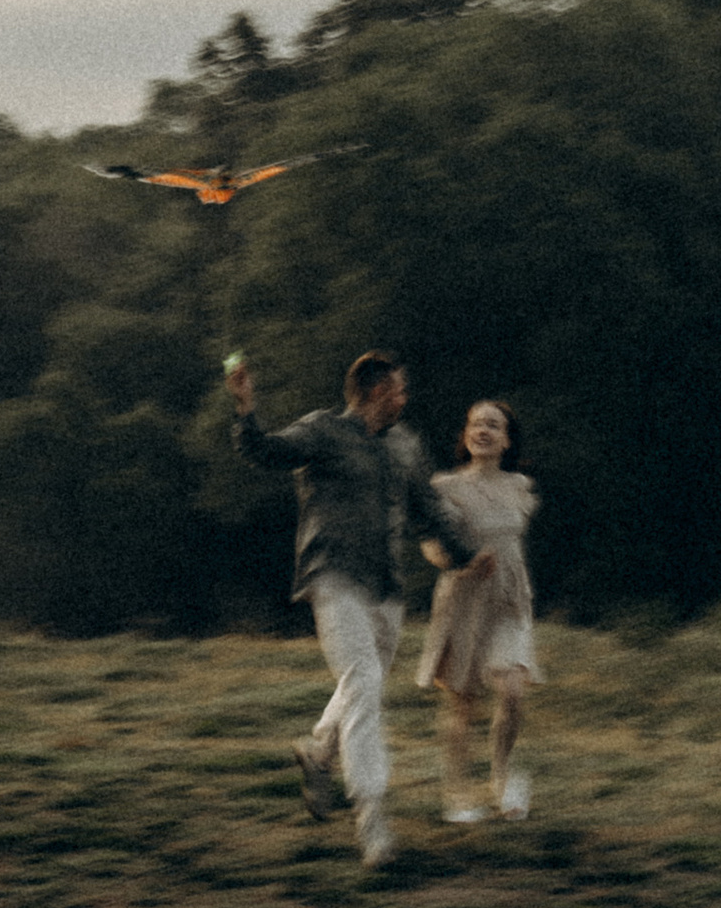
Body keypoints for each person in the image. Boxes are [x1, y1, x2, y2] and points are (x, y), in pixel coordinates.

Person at [225, 346, 487, 868]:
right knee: (364, 681)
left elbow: (429, 510)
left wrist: (465, 556)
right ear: (372, 392)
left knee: (360, 685)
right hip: (332, 576)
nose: (405, 396)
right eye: (397, 388)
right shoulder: (324, 431)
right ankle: (374, 826)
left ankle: (319, 751)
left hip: (385, 589)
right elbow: (265, 452)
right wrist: (244, 410)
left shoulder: (407, 446)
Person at [418, 398, 541, 819]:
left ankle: (504, 781)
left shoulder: (520, 487)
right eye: (475, 424)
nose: (482, 430)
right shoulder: (445, 487)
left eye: (493, 425)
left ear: (507, 439)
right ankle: (456, 797)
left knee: (511, 693)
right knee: (463, 704)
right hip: (464, 602)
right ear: (465, 435)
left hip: (509, 600)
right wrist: (458, 560)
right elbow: (432, 546)